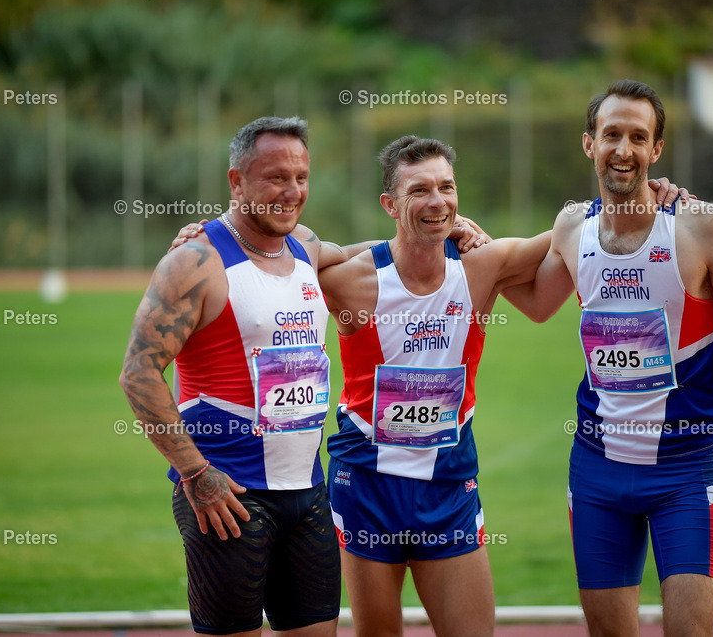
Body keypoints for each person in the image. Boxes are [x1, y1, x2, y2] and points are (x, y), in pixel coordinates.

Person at [167, 133, 685, 636]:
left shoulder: (485, 266)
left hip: (449, 486)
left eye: (446, 188)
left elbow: (581, 233)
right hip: (365, 484)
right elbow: (272, 255)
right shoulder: (348, 279)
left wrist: (652, 194)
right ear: (389, 204)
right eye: (419, 190)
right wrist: (212, 235)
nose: (437, 200)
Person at [122, 116, 484, 637]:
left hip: (310, 494)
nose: (292, 191)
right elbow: (137, 374)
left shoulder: (304, 247)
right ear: (237, 182)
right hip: (229, 494)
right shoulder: (195, 262)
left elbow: (373, 254)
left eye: (301, 177)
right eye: (275, 178)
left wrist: (445, 227)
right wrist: (194, 474)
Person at [504, 79, 713, 637]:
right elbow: (533, 303)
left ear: (656, 150)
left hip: (687, 471)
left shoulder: (705, 225)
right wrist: (472, 249)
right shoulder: (571, 226)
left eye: (637, 137)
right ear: (589, 144)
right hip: (597, 471)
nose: (623, 149)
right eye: (611, 135)